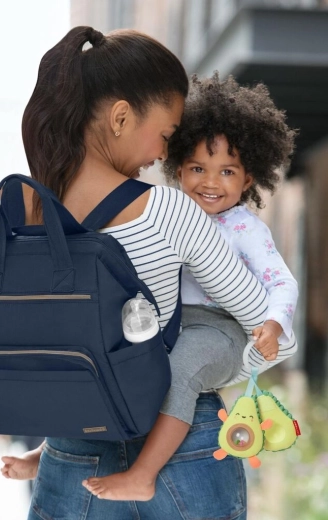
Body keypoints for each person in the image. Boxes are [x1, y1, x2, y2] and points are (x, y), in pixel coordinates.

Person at [0, 28, 296, 519]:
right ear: (121, 117)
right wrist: (188, 373)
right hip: (185, 453)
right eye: (166, 135)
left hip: (71, 445)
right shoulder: (170, 212)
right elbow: (275, 341)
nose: (164, 154)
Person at [82, 72, 299, 501]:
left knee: (182, 369)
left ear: (248, 179)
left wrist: (273, 326)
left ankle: (144, 475)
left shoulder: (244, 228)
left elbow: (282, 282)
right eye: (198, 168)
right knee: (109, 356)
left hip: (222, 330)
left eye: (227, 171)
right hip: (173, 324)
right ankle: (51, 451)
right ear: (177, 169)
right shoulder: (168, 215)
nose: (211, 182)